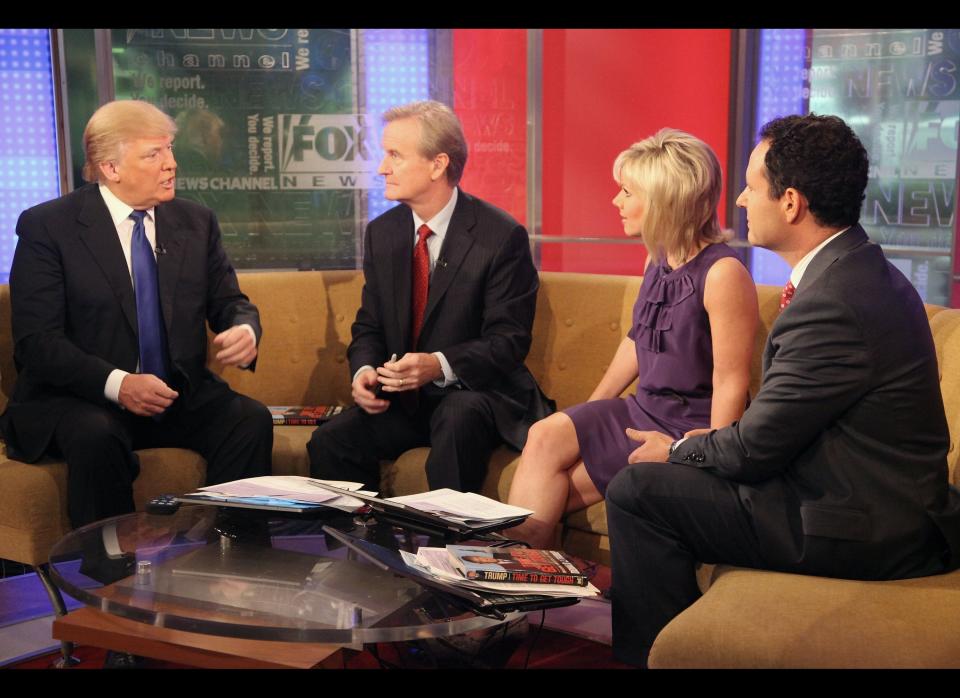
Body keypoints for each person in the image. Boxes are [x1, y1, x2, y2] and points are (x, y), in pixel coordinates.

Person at [605, 114, 960, 668]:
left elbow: (753, 450)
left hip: (864, 528)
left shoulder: (834, 302)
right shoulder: (856, 270)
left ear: (790, 202)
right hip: (864, 499)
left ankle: (654, 658)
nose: (741, 200)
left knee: (639, 491)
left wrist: (677, 448)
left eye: (751, 186)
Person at [0, 99, 273, 529]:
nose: (172, 164)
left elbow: (229, 301)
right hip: (81, 397)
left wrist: (243, 327)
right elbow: (38, 343)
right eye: (154, 154)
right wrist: (119, 384)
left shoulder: (195, 222)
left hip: (173, 393)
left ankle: (230, 558)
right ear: (111, 168)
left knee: (248, 420)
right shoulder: (49, 227)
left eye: (170, 150)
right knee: (96, 433)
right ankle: (108, 574)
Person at [506, 129, 758, 549]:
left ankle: (524, 586)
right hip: (642, 407)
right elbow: (639, 340)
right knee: (544, 435)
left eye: (626, 191)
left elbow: (730, 381)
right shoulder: (655, 257)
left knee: (551, 500)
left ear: (664, 200)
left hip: (687, 423)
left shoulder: (723, 273)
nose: (615, 201)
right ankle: (518, 580)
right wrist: (593, 406)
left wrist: (712, 460)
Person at [307, 100, 554, 493]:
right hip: (406, 400)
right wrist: (364, 371)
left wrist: (437, 365)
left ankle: (446, 553)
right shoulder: (383, 233)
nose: (381, 168)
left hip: (476, 394)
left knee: (457, 418)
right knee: (331, 442)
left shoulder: (500, 236)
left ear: (438, 165)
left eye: (394, 156)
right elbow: (369, 324)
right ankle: (360, 552)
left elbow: (508, 342)